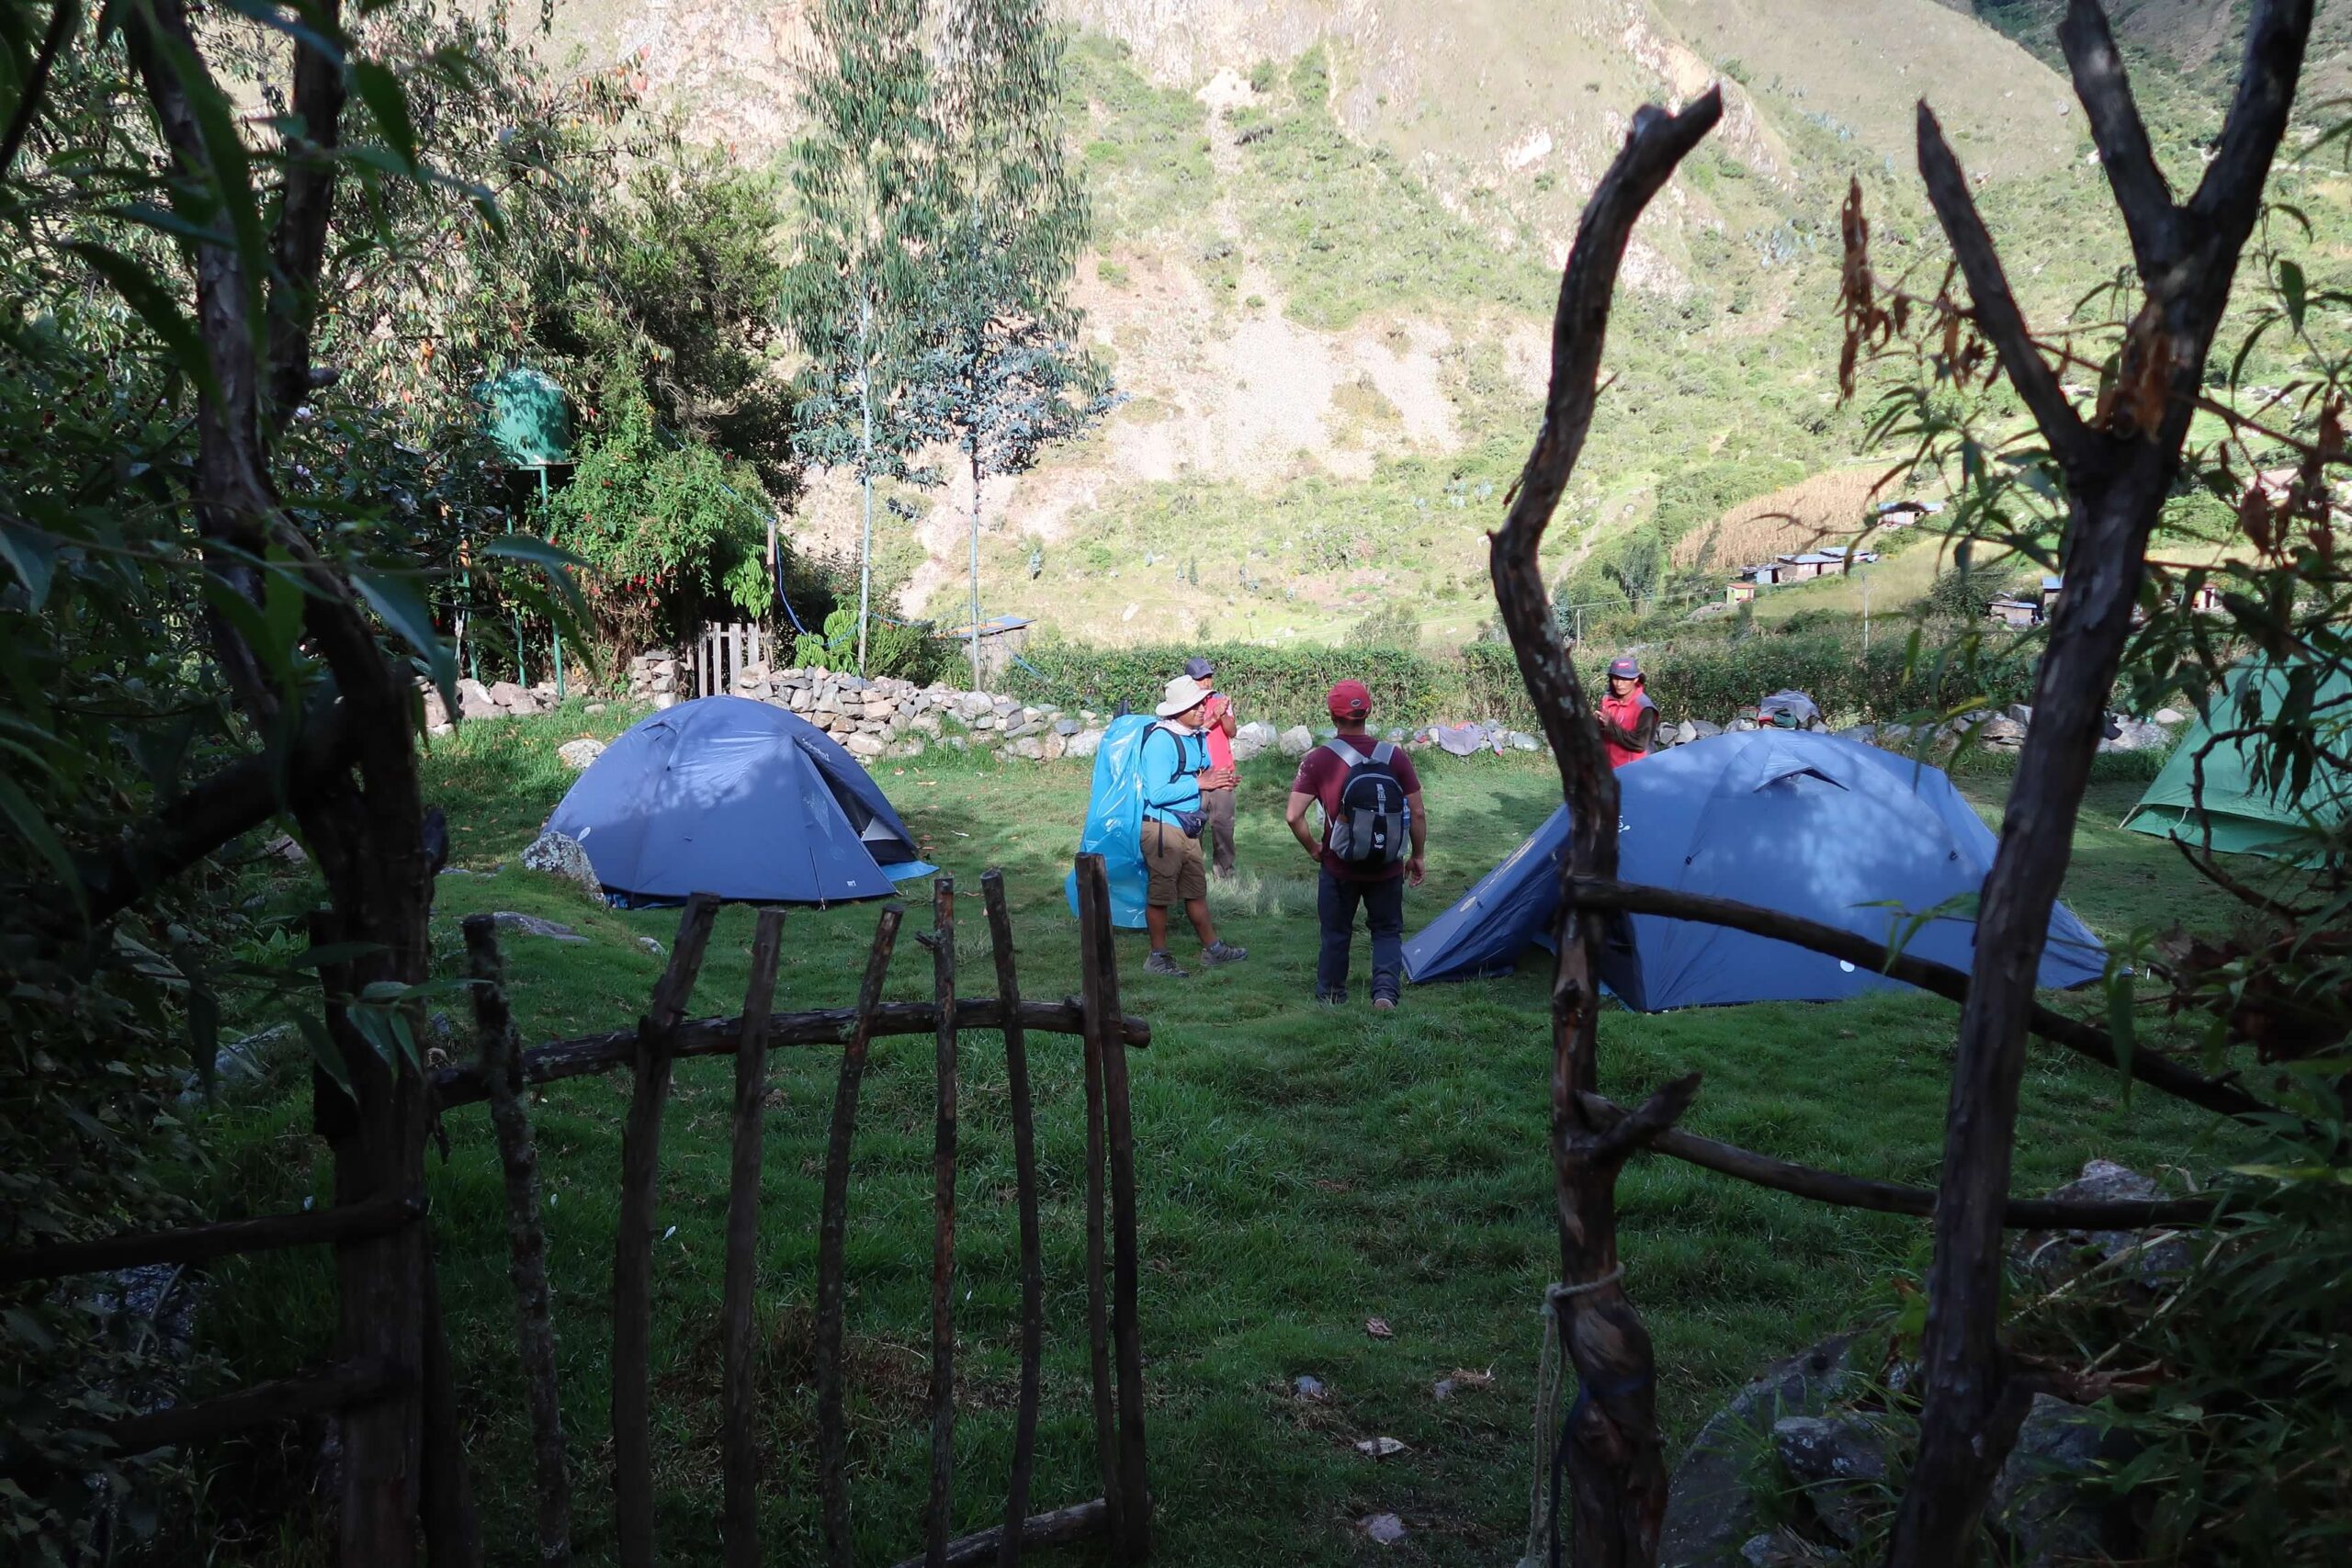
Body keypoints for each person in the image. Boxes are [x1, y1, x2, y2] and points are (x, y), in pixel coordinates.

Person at [1285, 679, 1425, 1010]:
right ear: (1368, 712)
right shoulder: (1395, 756)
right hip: (1387, 864)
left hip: (1339, 865)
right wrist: (1417, 855)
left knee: (1336, 932)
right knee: (1387, 930)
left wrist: (1314, 849)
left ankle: (1332, 996)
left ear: (1333, 716)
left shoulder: (1319, 759)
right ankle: (1385, 994)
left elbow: (1293, 816)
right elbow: (1417, 812)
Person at [1138, 674, 1250, 977]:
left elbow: (1202, 771)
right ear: (1178, 709)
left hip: (1187, 827)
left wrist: (1219, 779)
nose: (1204, 707)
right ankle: (1157, 958)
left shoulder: (1196, 735)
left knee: (1195, 891)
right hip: (1162, 829)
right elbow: (1156, 793)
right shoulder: (1161, 740)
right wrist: (1200, 782)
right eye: (1197, 704)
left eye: (1203, 701)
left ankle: (1213, 950)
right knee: (1160, 894)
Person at [1185, 656, 1241, 878]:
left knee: (1224, 826)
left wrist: (1224, 714)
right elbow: (1191, 733)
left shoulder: (1219, 699)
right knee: (1192, 827)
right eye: (1201, 679)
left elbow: (1232, 732)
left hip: (1222, 771)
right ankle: (1192, 875)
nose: (1207, 683)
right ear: (1190, 681)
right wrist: (1213, 716)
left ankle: (1225, 873)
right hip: (1196, 775)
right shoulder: (1183, 705)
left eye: (1209, 677)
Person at [1599, 654, 1658, 767]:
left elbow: (1640, 744)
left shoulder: (1645, 707)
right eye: (1616, 678)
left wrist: (1610, 726)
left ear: (1636, 679)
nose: (1619, 684)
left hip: (1635, 770)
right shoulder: (1607, 700)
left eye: (1625, 679)